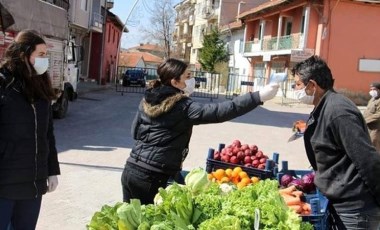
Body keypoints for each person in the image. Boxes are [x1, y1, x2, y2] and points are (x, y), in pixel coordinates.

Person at [121, 58, 279, 204]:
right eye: (187, 76)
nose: (191, 80)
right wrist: (257, 97)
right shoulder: (183, 106)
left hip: (131, 170)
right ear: (175, 81)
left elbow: (135, 132)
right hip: (152, 177)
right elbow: (219, 111)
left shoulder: (147, 100)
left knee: (130, 222)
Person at [291, 55, 380, 229]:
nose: (295, 89)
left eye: (298, 84)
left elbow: (367, 159)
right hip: (342, 203)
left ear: (313, 85)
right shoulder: (324, 106)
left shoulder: (339, 111)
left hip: (355, 211)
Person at [0, 30, 60, 230]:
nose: (46, 60)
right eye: (41, 54)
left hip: (33, 185)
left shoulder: (40, 84)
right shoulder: (3, 84)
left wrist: (52, 171)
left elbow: (47, 134)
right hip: (5, 184)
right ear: (24, 55)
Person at [363, 82, 380, 152]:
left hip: (376, 129)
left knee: (374, 146)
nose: (372, 91)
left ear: (379, 90)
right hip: (368, 128)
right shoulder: (372, 99)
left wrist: (366, 120)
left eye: (374, 89)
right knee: (368, 146)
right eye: (371, 89)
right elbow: (367, 111)